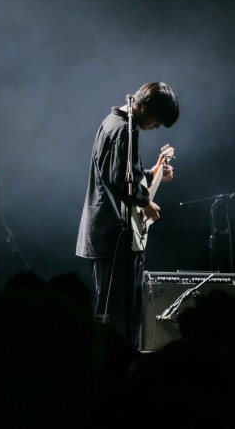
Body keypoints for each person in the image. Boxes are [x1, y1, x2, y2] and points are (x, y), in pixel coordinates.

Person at [76, 82, 178, 345]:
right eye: (157, 121)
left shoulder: (120, 125)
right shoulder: (123, 130)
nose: (156, 127)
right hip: (113, 237)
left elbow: (127, 174)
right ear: (143, 107)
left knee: (123, 315)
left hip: (112, 235)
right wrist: (145, 203)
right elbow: (120, 182)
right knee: (118, 319)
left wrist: (154, 172)